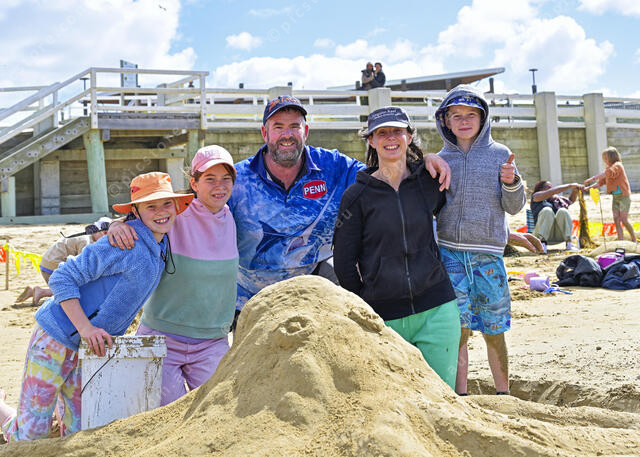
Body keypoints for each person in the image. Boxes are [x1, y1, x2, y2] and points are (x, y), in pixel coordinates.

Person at [0, 172, 191, 442]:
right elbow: (61, 277)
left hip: (90, 349)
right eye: (151, 206)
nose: (161, 212)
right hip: (55, 337)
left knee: (78, 431)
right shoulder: (124, 244)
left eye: (166, 203)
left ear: (177, 206)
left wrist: (117, 223)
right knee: (30, 435)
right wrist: (86, 328)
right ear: (136, 211)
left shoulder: (162, 245)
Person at [228, 95, 451, 311]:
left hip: (316, 285)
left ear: (306, 131)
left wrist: (422, 162)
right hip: (252, 296)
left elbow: (386, 173)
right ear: (264, 133)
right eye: (278, 127)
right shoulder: (237, 179)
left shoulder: (334, 167)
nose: (287, 135)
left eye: (295, 126)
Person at [333, 106, 460, 389]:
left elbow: (459, 212)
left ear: (409, 136)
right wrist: (369, 302)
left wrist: (430, 158)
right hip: (385, 319)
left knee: (443, 399)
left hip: (438, 309)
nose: (391, 138)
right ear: (371, 140)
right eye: (382, 133)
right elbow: (343, 261)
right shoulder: (357, 196)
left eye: (397, 131)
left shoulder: (429, 182)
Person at [107, 146, 239, 406]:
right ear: (194, 183)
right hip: (162, 337)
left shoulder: (233, 216)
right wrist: (115, 225)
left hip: (212, 341)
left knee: (216, 410)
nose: (219, 186)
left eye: (226, 179)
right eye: (210, 179)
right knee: (168, 415)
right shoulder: (174, 213)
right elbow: (139, 217)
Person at [434, 85, 526, 396]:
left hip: (489, 255)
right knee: (457, 331)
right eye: (456, 115)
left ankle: (504, 393)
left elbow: (514, 207)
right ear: (445, 121)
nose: (463, 121)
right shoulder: (441, 159)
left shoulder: (500, 155)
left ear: (483, 118)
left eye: (470, 115)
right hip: (450, 254)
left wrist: (511, 182)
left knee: (494, 330)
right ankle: (460, 395)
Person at [15, 217, 112, 305]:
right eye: (105, 235)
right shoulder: (85, 242)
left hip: (47, 264)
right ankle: (42, 291)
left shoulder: (84, 237)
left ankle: (34, 291)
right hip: (53, 265)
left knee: (71, 286)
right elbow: (83, 265)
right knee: (75, 289)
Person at [585, 146, 636, 243]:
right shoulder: (608, 169)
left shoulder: (618, 165)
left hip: (624, 196)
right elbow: (601, 182)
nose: (604, 160)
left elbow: (608, 173)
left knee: (624, 219)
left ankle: (634, 239)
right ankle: (621, 240)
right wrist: (589, 187)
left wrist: (592, 178)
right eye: (603, 158)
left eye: (606, 158)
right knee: (616, 219)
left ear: (612, 157)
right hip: (615, 197)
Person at [531, 180, 583, 253]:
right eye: (548, 187)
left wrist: (575, 190)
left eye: (551, 186)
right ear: (540, 189)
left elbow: (570, 201)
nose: (551, 188)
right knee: (547, 210)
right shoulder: (536, 197)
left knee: (563, 211)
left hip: (559, 235)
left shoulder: (556, 200)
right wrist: (570, 185)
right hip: (540, 234)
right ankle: (542, 245)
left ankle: (569, 244)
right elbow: (552, 191)